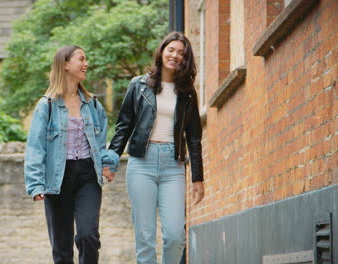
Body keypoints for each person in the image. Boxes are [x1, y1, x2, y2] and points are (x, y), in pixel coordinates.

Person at [107, 32, 205, 263]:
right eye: (171, 49)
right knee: (145, 236)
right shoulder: (138, 85)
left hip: (173, 165)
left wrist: (197, 178)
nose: (175, 55)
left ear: (185, 59)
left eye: (181, 53)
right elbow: (124, 126)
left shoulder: (188, 93)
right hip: (142, 163)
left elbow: (194, 138)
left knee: (174, 235)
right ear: (161, 51)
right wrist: (111, 159)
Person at [24, 45, 119, 264]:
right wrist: (35, 184)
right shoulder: (46, 106)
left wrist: (108, 163)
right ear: (65, 64)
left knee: (88, 236)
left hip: (88, 176)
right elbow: (35, 148)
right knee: (62, 247)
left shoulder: (93, 104)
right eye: (81, 59)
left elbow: (101, 143)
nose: (86, 64)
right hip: (57, 178)